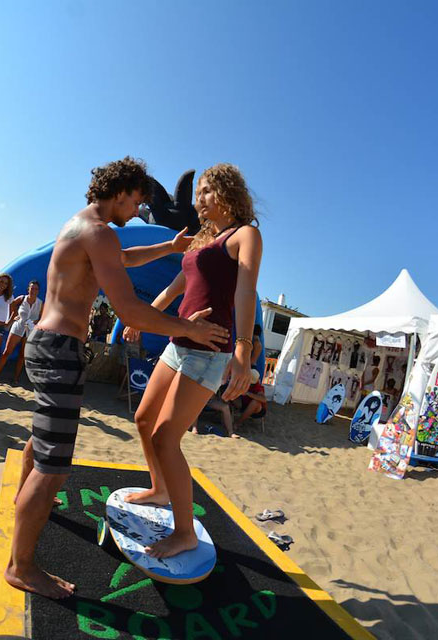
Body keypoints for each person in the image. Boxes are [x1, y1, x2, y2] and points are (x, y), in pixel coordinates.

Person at [5, 157, 230, 599]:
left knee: (43, 438)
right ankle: (21, 567)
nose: (138, 210)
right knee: (53, 469)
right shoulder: (99, 232)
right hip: (59, 351)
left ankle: (22, 499)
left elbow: (121, 259)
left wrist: (168, 248)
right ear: (121, 192)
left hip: (46, 345)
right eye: (137, 201)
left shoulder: (83, 226)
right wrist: (188, 328)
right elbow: (129, 310)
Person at [121, 163, 262, 559]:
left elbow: (246, 291)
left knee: (166, 437)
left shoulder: (245, 235)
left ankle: (184, 533)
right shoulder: (202, 239)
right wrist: (144, 316)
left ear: (227, 193)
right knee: (144, 419)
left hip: (210, 348)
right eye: (198, 192)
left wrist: (243, 349)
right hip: (179, 340)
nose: (199, 199)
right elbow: (175, 287)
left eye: (206, 191)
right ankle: (160, 489)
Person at [0, 280, 43, 384]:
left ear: (38, 291)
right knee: (7, 352)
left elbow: (41, 317)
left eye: (36, 289)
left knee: (22, 355)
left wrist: (36, 322)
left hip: (30, 330)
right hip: (18, 328)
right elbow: (11, 305)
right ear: (28, 289)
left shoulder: (40, 303)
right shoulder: (22, 298)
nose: (33, 291)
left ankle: (16, 378)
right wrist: (14, 315)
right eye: (32, 288)